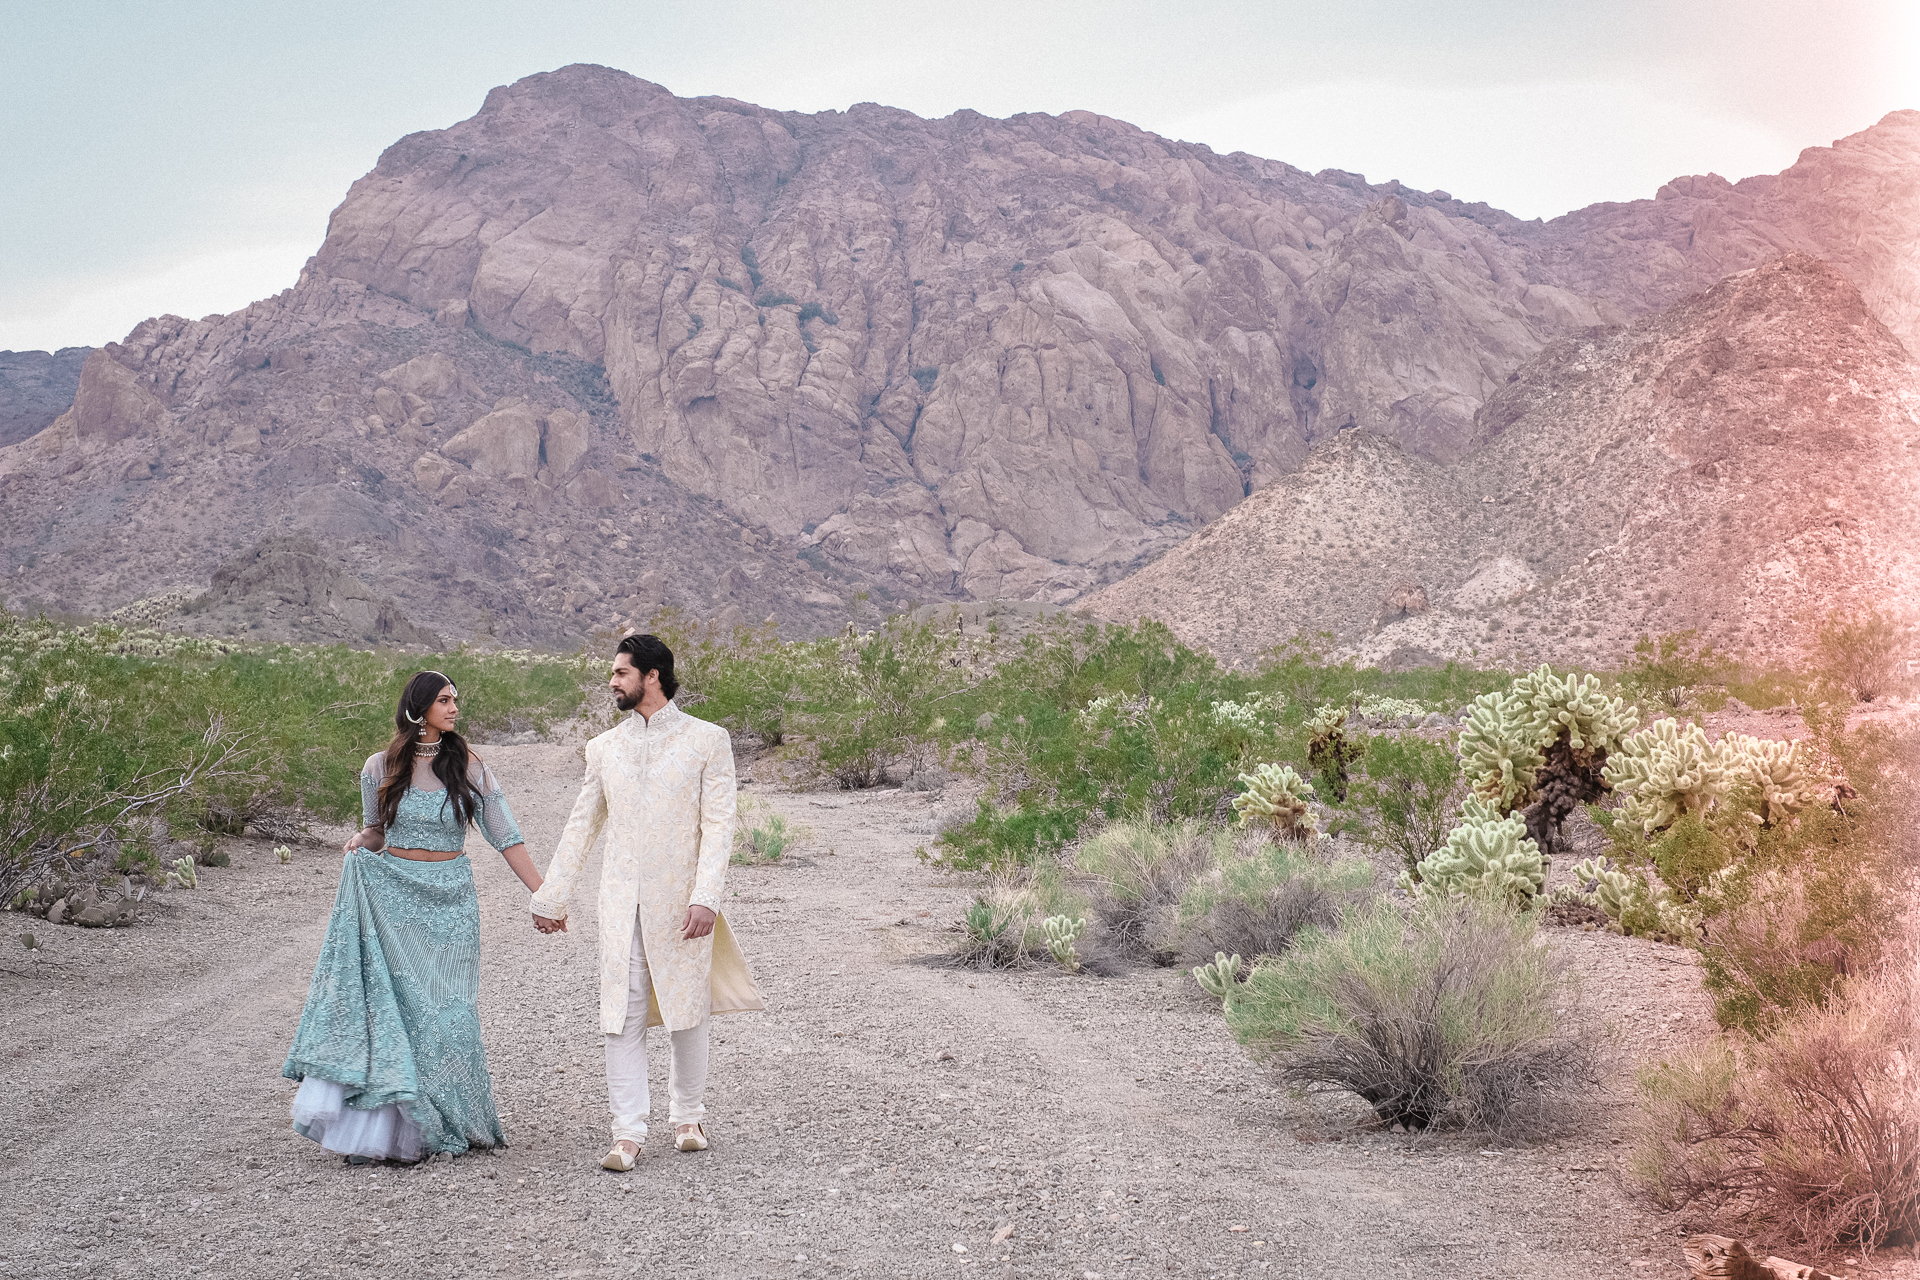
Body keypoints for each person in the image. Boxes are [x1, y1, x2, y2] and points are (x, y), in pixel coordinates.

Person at [282, 670, 546, 1163]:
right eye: (444, 700)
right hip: (394, 898)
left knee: (451, 1015)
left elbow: (505, 835)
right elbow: (376, 832)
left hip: (452, 903)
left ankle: (455, 1120)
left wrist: (543, 894)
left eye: (455, 700)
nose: (453, 708)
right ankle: (396, 1133)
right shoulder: (378, 767)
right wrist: (362, 843)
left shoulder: (469, 766)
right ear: (418, 707)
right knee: (400, 1011)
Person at [531, 634, 763, 1171]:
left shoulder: (707, 740)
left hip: (682, 901)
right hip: (619, 904)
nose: (612, 682)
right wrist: (553, 896)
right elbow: (581, 825)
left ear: (651, 675)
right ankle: (627, 1133)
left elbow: (719, 825)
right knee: (622, 1011)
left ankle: (688, 1116)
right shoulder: (604, 748)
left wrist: (706, 897)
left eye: (620, 673)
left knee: (687, 1008)